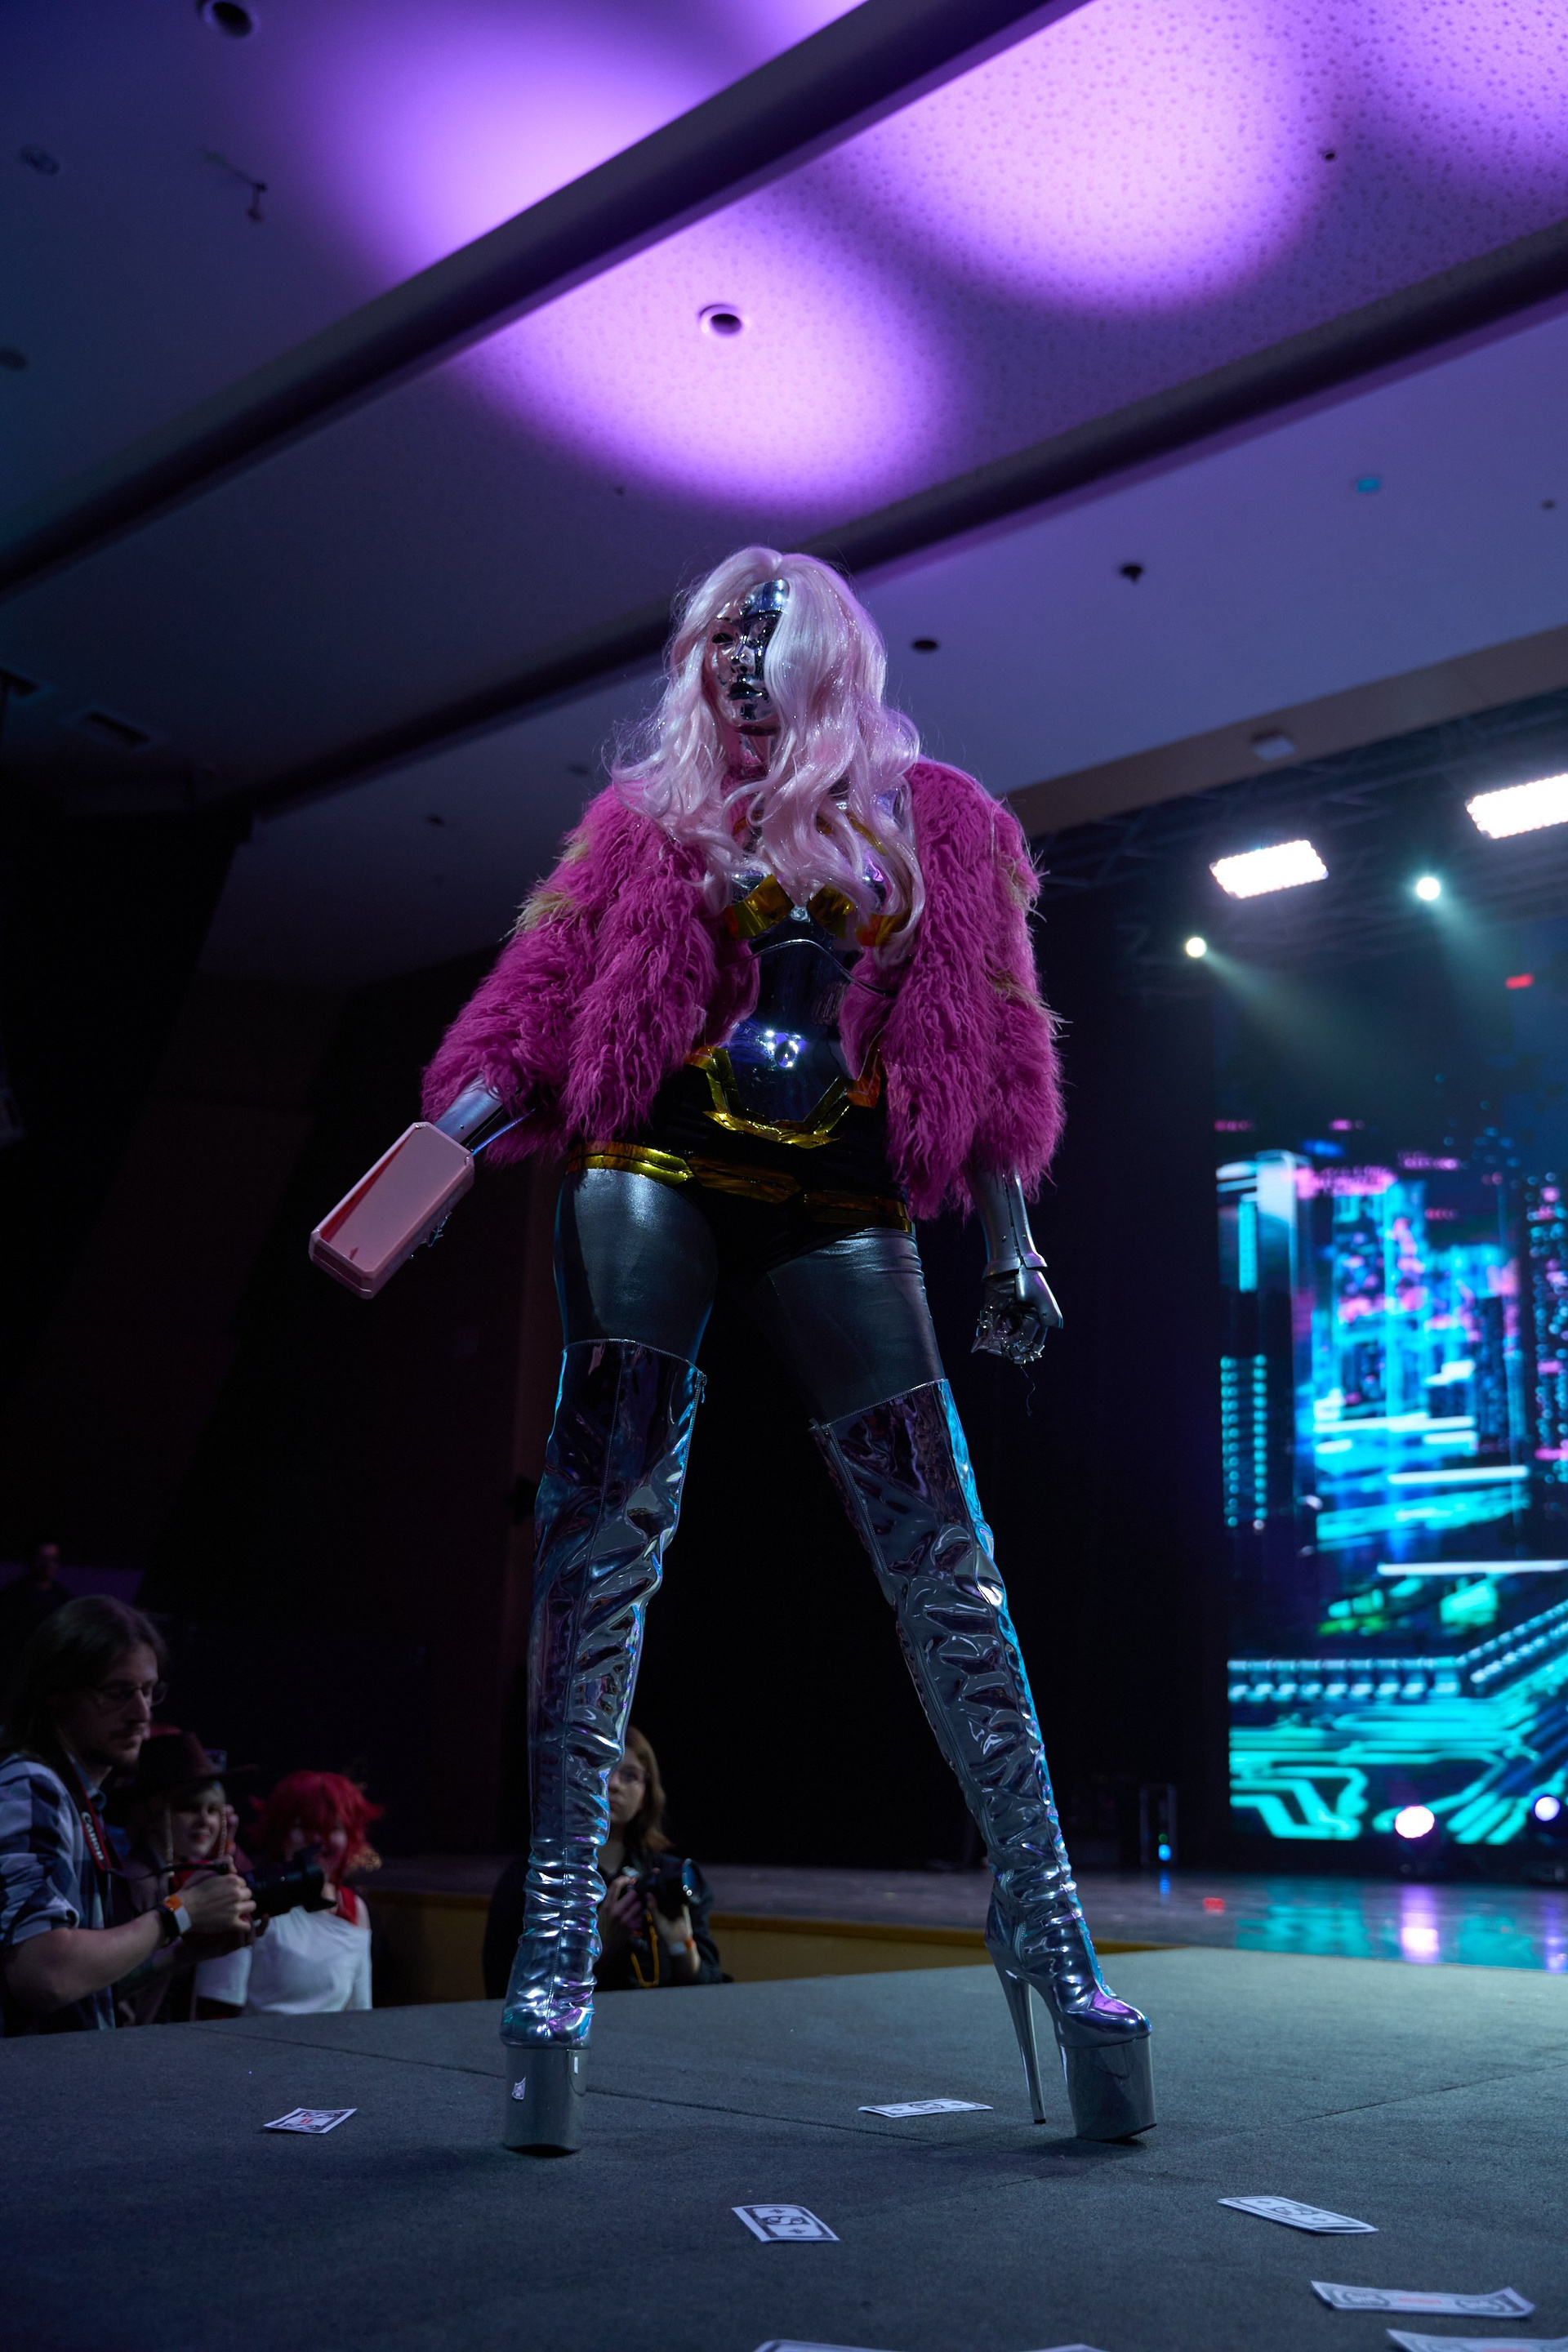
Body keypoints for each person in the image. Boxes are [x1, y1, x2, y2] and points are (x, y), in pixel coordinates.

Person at [353, 546, 1153, 2152]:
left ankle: (1050, 1925)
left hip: (842, 1188)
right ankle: (558, 1940)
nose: (733, 657)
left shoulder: (944, 824)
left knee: (947, 1559)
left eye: (763, 633)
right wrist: (435, 1158)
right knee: (600, 1541)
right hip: (652, 1164)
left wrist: (1013, 1241)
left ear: (828, 655)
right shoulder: (647, 818)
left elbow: (996, 1039)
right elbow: (540, 998)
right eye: (718, 633)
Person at [0, 1597, 254, 2034]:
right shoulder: (32, 1784)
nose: (142, 1714)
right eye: (117, 1693)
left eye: (149, 1691)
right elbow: (46, 1975)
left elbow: (84, 1994)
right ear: (56, 1693)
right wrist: (179, 1912)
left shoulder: (74, 1796)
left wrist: (180, 1954)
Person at [483, 1728, 723, 2000]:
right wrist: (600, 1947)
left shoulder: (672, 1879)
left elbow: (712, 1997)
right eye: (603, 1769)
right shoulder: (535, 1878)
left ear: (646, 1795)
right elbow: (506, 1994)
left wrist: (682, 1945)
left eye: (630, 1775)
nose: (614, 1784)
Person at [194, 1770, 380, 2017]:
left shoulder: (354, 1909)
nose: (318, 1839)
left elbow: (359, 2014)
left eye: (332, 1828)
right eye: (304, 1827)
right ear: (281, 1833)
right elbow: (217, 2011)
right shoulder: (247, 1900)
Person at [114, 1729, 250, 2025]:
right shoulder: (136, 1881)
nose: (205, 1821)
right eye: (189, 1807)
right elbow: (117, 1987)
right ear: (152, 1812)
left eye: (213, 1810)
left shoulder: (180, 1876)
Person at [0, 1540, 69, 1680]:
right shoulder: (11, 1597)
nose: (48, 1565)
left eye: (53, 1559)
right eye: (42, 1558)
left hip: (50, 1670)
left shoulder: (63, 1598)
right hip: (17, 1669)